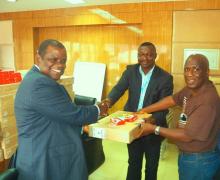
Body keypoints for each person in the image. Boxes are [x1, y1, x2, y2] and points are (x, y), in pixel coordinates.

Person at [13, 39, 108, 180]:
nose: (60, 65)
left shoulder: (37, 79)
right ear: (38, 57)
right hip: (43, 160)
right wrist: (98, 109)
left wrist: (82, 128)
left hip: (45, 154)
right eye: (53, 59)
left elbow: (56, 116)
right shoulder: (40, 83)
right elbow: (73, 114)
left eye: (63, 61)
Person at [137, 54, 220, 180]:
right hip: (189, 156)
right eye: (187, 69)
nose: (190, 74)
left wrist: (154, 129)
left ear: (207, 72)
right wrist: (144, 110)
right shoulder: (192, 89)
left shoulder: (207, 101)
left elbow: (187, 136)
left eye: (196, 69)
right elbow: (172, 100)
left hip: (199, 160)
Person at [102, 42, 173, 180]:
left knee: (151, 166)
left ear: (155, 56)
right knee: (133, 163)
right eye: (141, 54)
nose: (144, 58)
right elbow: (118, 89)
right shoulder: (130, 71)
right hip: (132, 126)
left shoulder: (165, 78)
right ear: (137, 56)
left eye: (148, 55)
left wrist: (150, 122)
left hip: (152, 128)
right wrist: (107, 102)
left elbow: (164, 106)